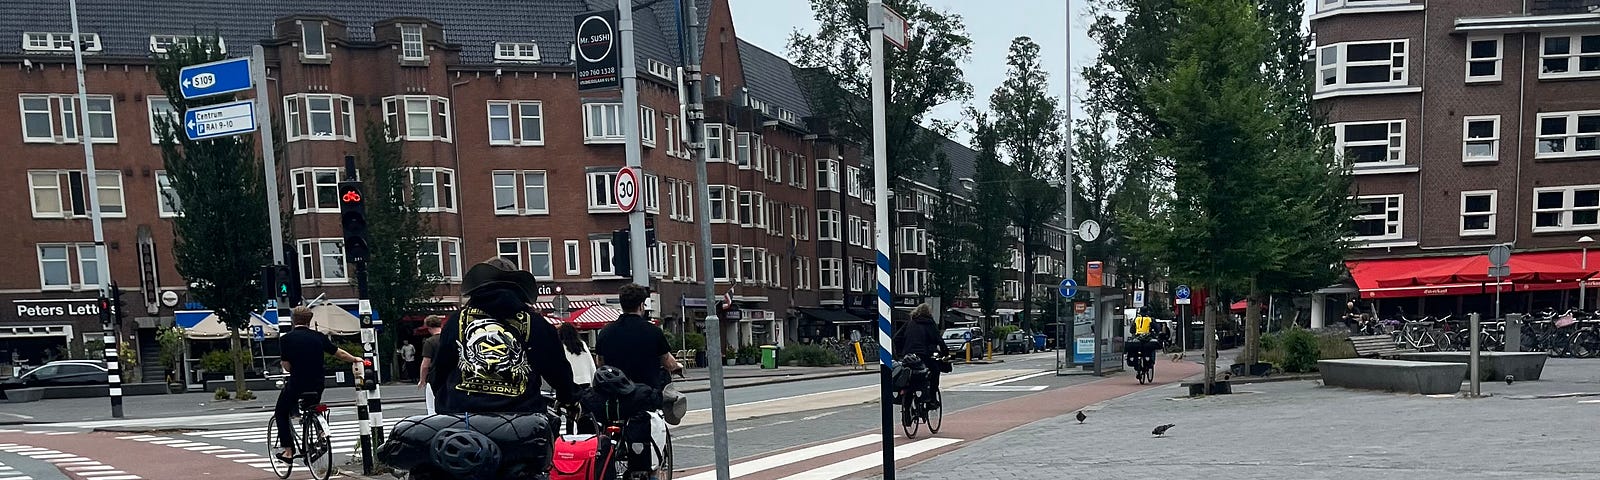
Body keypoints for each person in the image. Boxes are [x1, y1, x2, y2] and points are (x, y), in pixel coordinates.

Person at [429, 258, 577, 416]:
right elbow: (558, 371)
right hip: (521, 421)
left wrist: (447, 399)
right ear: (519, 287)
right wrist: (569, 399)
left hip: (463, 419)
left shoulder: (457, 321)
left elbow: (439, 371)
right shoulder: (535, 323)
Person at [276, 306, 363, 462]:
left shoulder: (286, 339)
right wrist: (356, 359)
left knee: (281, 412)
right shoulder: (319, 337)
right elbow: (340, 353)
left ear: (293, 320)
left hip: (297, 383)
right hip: (317, 383)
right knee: (312, 407)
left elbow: (286, 366)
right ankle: (320, 433)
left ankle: (288, 452)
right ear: (309, 320)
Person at [595, 284, 682, 391]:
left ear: (622, 305)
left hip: (617, 396)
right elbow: (668, 363)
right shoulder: (653, 332)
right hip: (646, 396)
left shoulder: (605, 332)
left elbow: (600, 363)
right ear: (641, 306)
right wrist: (677, 365)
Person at [892, 303, 948, 404]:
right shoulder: (930, 324)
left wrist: (901, 353)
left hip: (908, 355)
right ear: (929, 313)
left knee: (907, 372)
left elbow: (896, 338)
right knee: (934, 372)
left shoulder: (909, 323)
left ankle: (902, 394)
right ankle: (932, 398)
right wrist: (946, 354)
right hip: (925, 355)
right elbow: (939, 340)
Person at [558, 322, 597, 434]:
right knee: (584, 412)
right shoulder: (582, 345)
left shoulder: (561, 347)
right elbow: (591, 364)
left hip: (571, 384)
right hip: (585, 382)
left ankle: (570, 435)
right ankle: (583, 433)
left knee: (570, 413)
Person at [416, 315, 445, 414]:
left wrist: (422, 380)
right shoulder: (450, 338)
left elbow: (425, 364)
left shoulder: (430, 342)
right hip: (450, 377)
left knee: (432, 408)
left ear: (429, 327)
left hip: (434, 377)